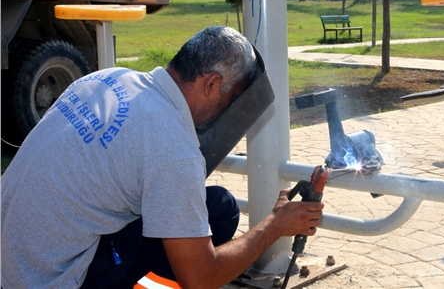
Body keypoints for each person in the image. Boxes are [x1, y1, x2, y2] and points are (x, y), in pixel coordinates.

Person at [1, 26, 324, 289]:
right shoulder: (173, 148)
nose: (229, 109)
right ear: (212, 84)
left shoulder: (107, 79)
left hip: (10, 257)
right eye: (232, 99)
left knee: (220, 208)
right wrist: (274, 225)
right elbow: (201, 279)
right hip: (48, 280)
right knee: (198, 260)